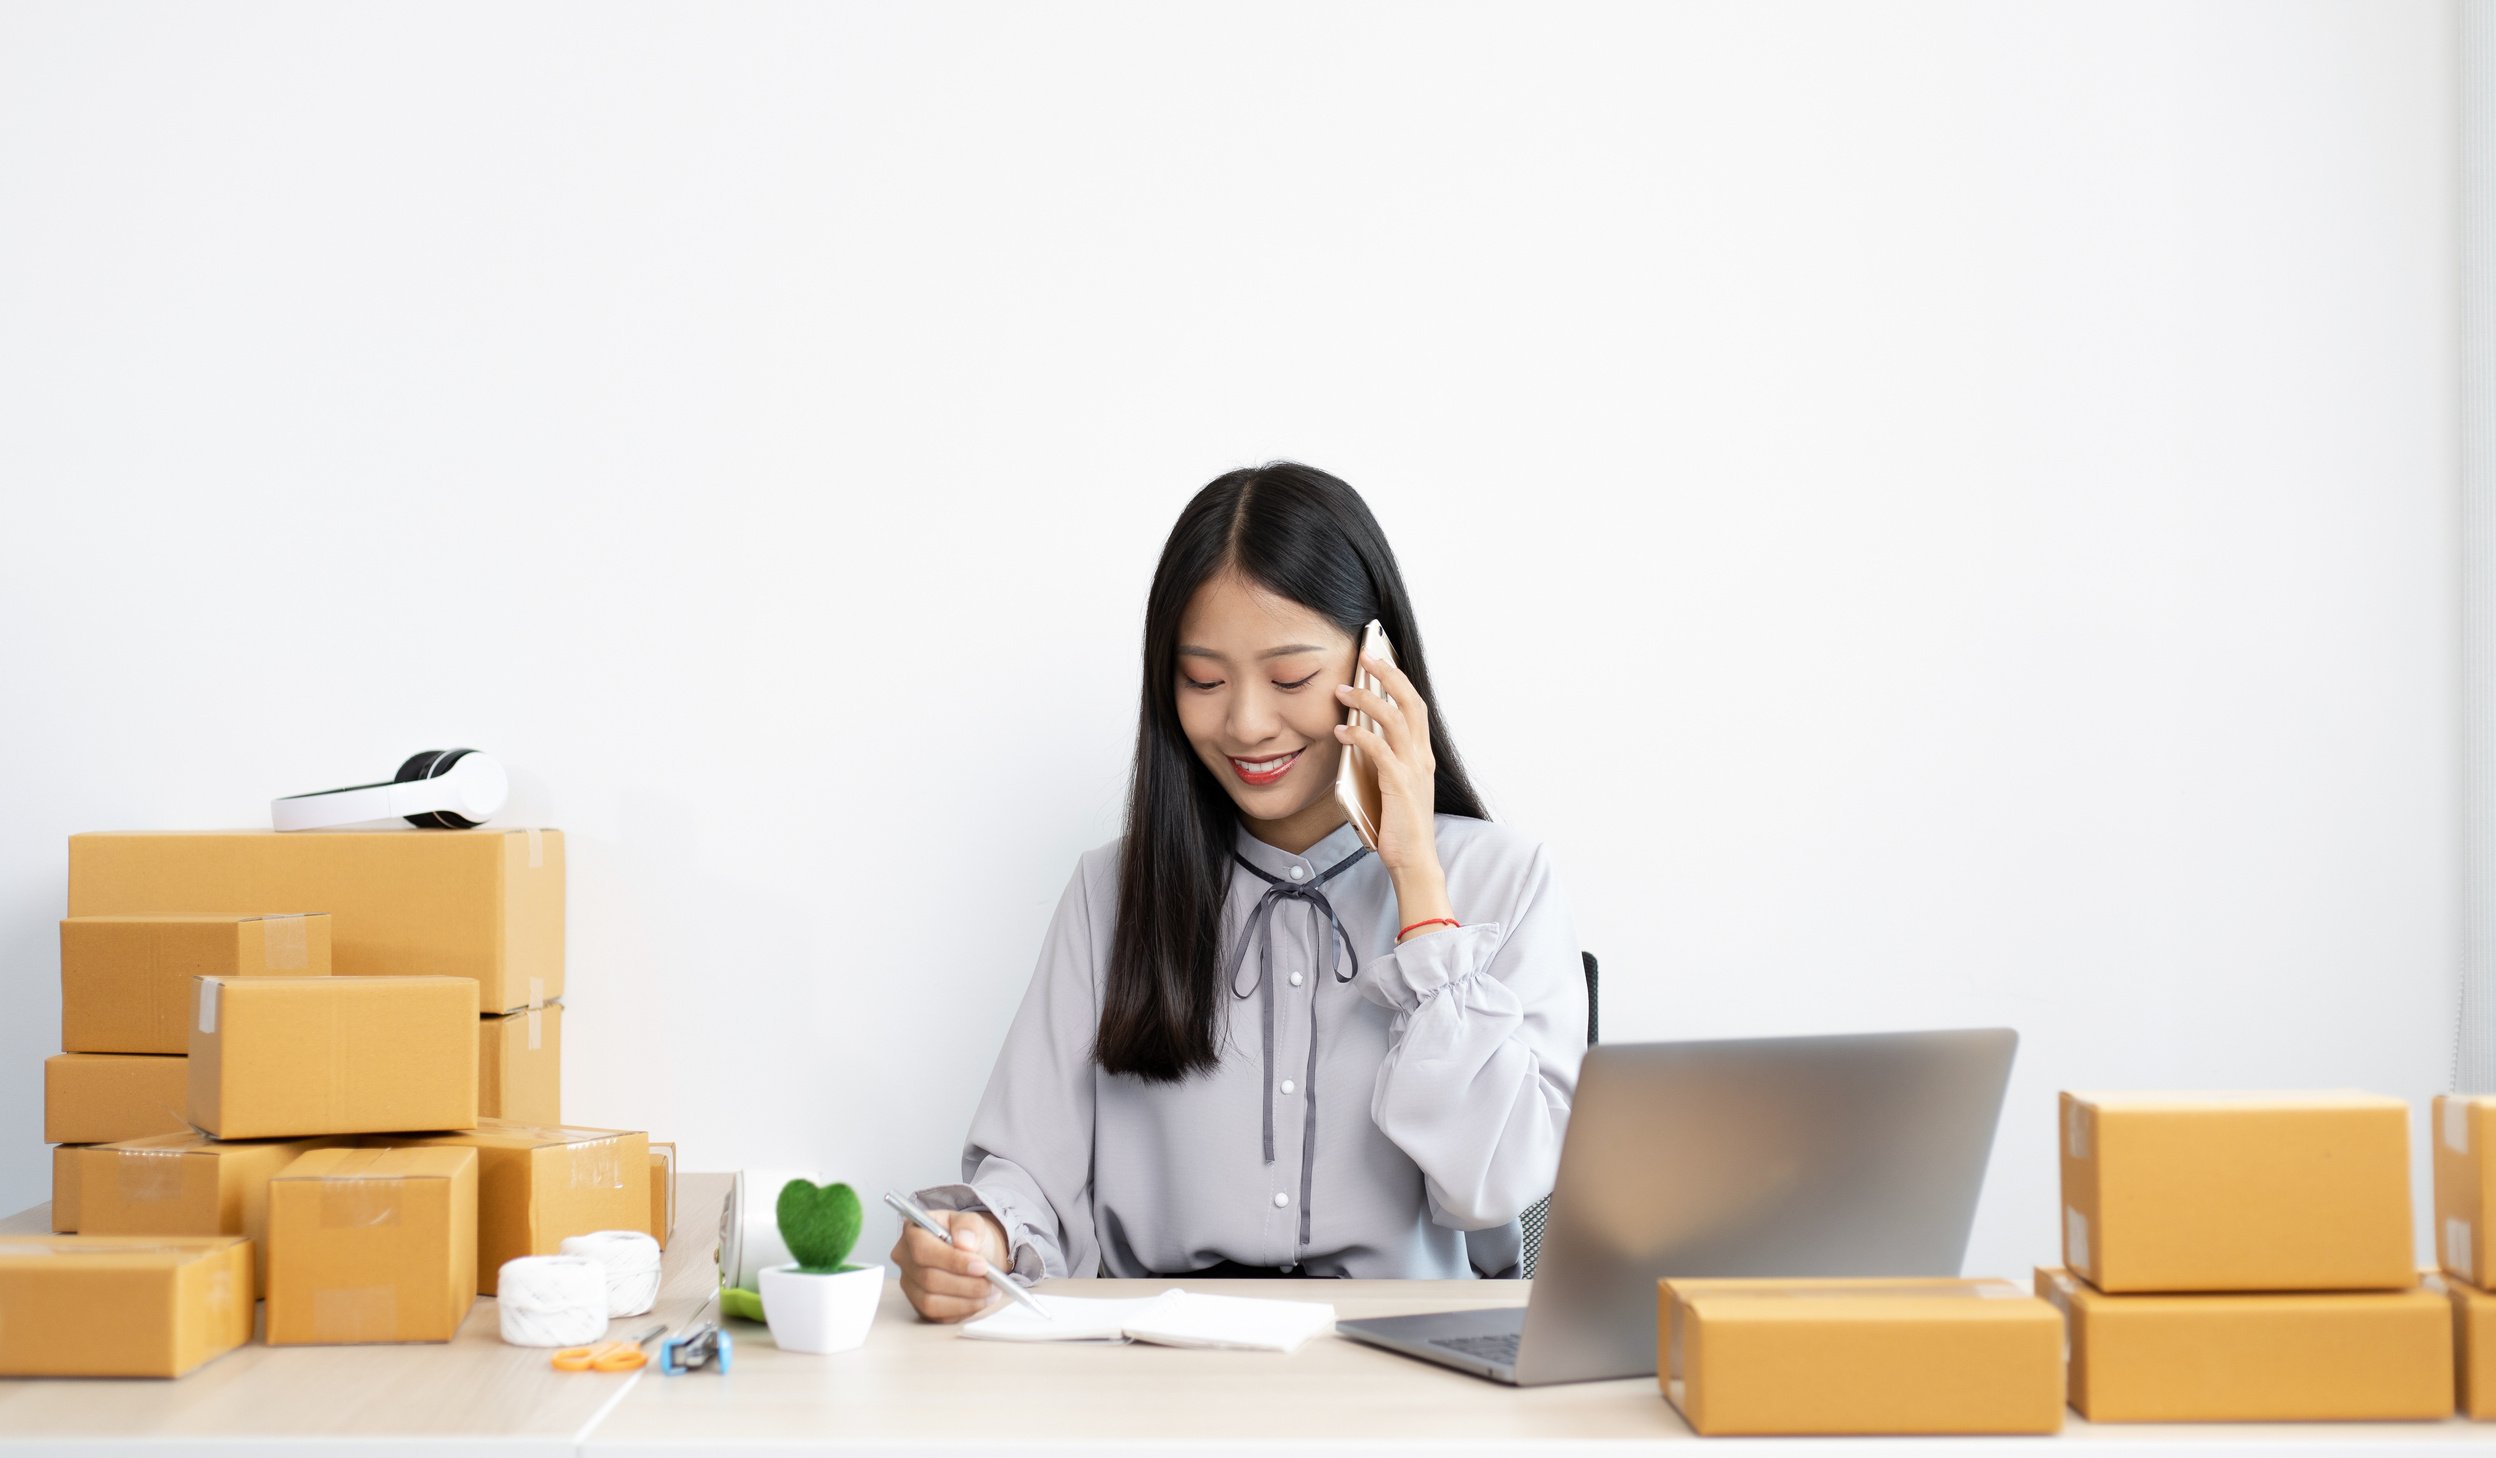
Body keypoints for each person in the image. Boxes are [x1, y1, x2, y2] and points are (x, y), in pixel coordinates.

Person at [895, 461, 1587, 1320]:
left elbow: (1502, 1193)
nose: (1247, 723)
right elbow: (1029, 1172)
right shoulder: (1110, 893)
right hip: (1157, 1369)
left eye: (1290, 679)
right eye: (1204, 681)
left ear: (1377, 667)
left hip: (1408, 1364)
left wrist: (1420, 890)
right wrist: (983, 1239)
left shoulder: (1503, 883)